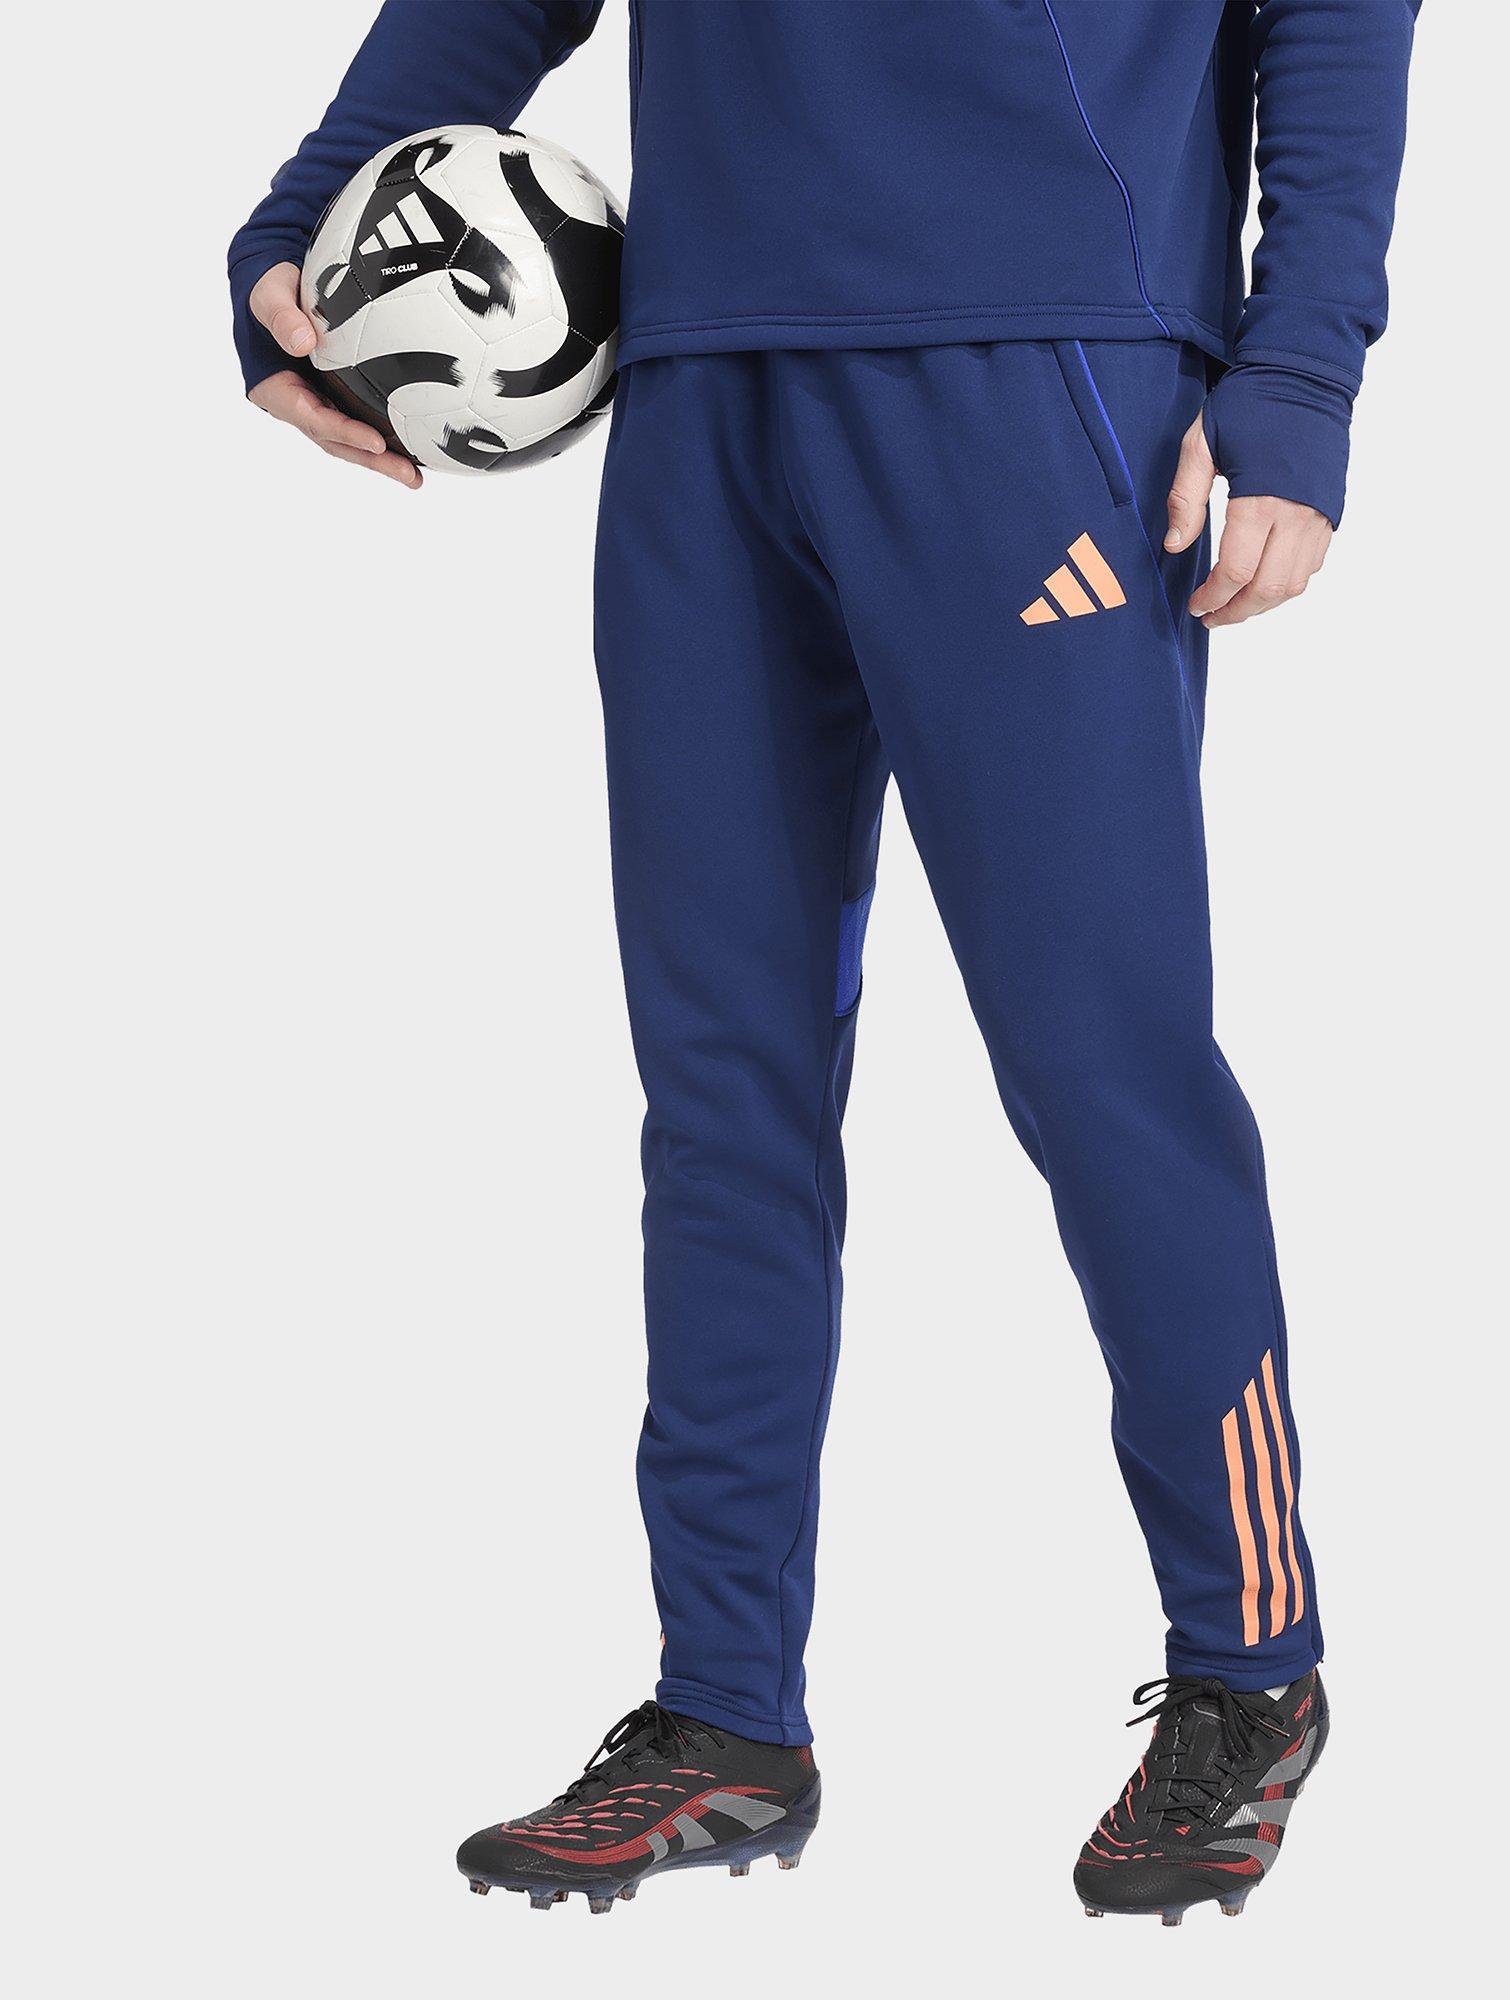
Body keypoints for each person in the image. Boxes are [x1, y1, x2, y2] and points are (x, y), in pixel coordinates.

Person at [229, 0, 1420, 1924]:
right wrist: (309, 222)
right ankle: (725, 1716)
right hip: (702, 384)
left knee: (1105, 1070)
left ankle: (1251, 1667)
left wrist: (1304, 360)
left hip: (1040, 362)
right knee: (725, 1095)